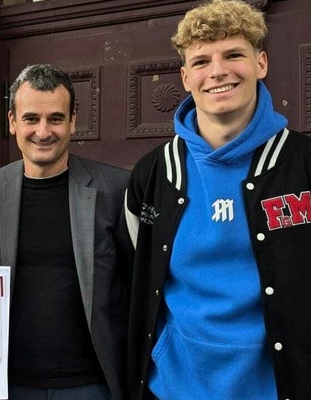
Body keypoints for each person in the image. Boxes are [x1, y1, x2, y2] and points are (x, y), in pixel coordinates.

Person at [124, 1, 311, 399]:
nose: (218, 71)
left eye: (233, 55)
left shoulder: (303, 164)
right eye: (201, 61)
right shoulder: (153, 174)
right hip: (173, 389)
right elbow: (135, 279)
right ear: (185, 76)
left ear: (261, 63)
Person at [0, 64, 133, 400]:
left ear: (72, 121)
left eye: (55, 118)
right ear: (12, 122)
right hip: (10, 382)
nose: (43, 132)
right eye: (31, 118)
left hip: (92, 384)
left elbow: (135, 286)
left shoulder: (116, 187)